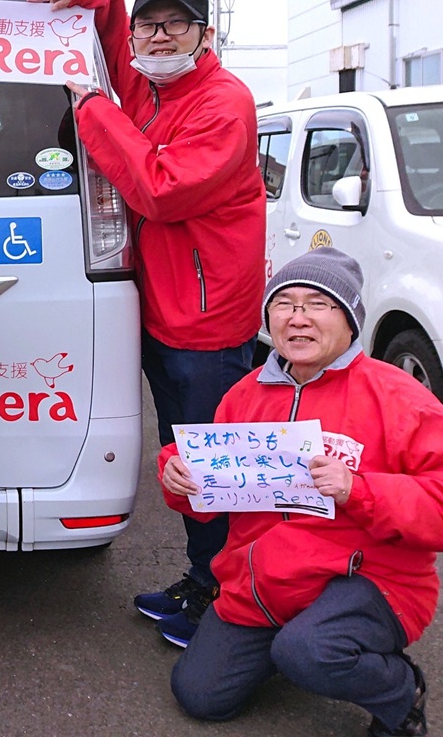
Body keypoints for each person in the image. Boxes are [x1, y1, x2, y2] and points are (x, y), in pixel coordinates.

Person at [30, 0, 266, 646]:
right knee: (182, 454)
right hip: (166, 312)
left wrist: (92, 106)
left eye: (176, 25)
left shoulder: (224, 101)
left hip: (208, 321)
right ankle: (205, 579)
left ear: (205, 33)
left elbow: (161, 190)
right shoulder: (150, 83)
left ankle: (232, 602)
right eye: (148, 25)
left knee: (212, 462)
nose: (158, 38)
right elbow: (102, 5)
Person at [159, 248, 443, 736]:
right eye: (284, 305)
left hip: (370, 580)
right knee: (200, 694)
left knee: (308, 652)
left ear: (350, 319)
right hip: (265, 581)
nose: (298, 318)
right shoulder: (246, 394)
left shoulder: (400, 398)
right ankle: (296, 647)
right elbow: (207, 482)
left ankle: (398, 690)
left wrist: (359, 489)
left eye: (317, 304)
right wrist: (177, 476)